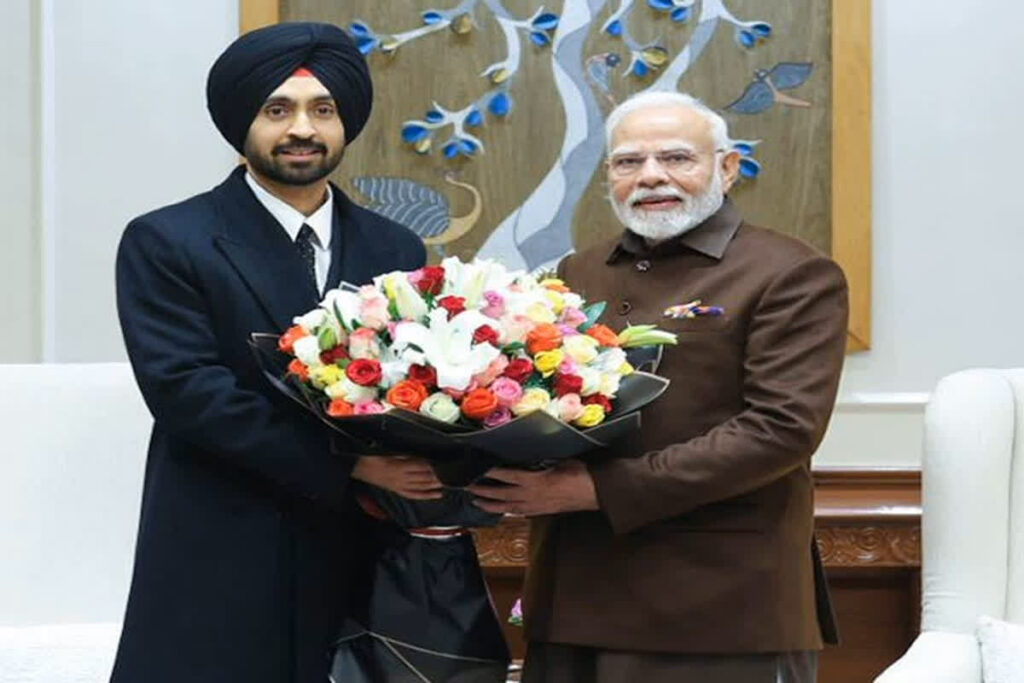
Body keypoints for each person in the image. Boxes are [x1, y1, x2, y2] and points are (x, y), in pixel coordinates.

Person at [470, 91, 847, 683]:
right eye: (627, 162)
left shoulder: (790, 272)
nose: (651, 177)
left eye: (676, 158)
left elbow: (781, 431)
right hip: (572, 595)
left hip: (717, 607)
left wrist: (596, 490)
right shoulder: (577, 273)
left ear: (726, 166)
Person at [111, 22, 441, 683]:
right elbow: (188, 393)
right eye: (277, 109)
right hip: (223, 534)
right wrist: (353, 468)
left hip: (360, 547)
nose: (302, 130)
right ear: (243, 122)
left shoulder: (395, 248)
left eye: (324, 110)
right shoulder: (168, 240)